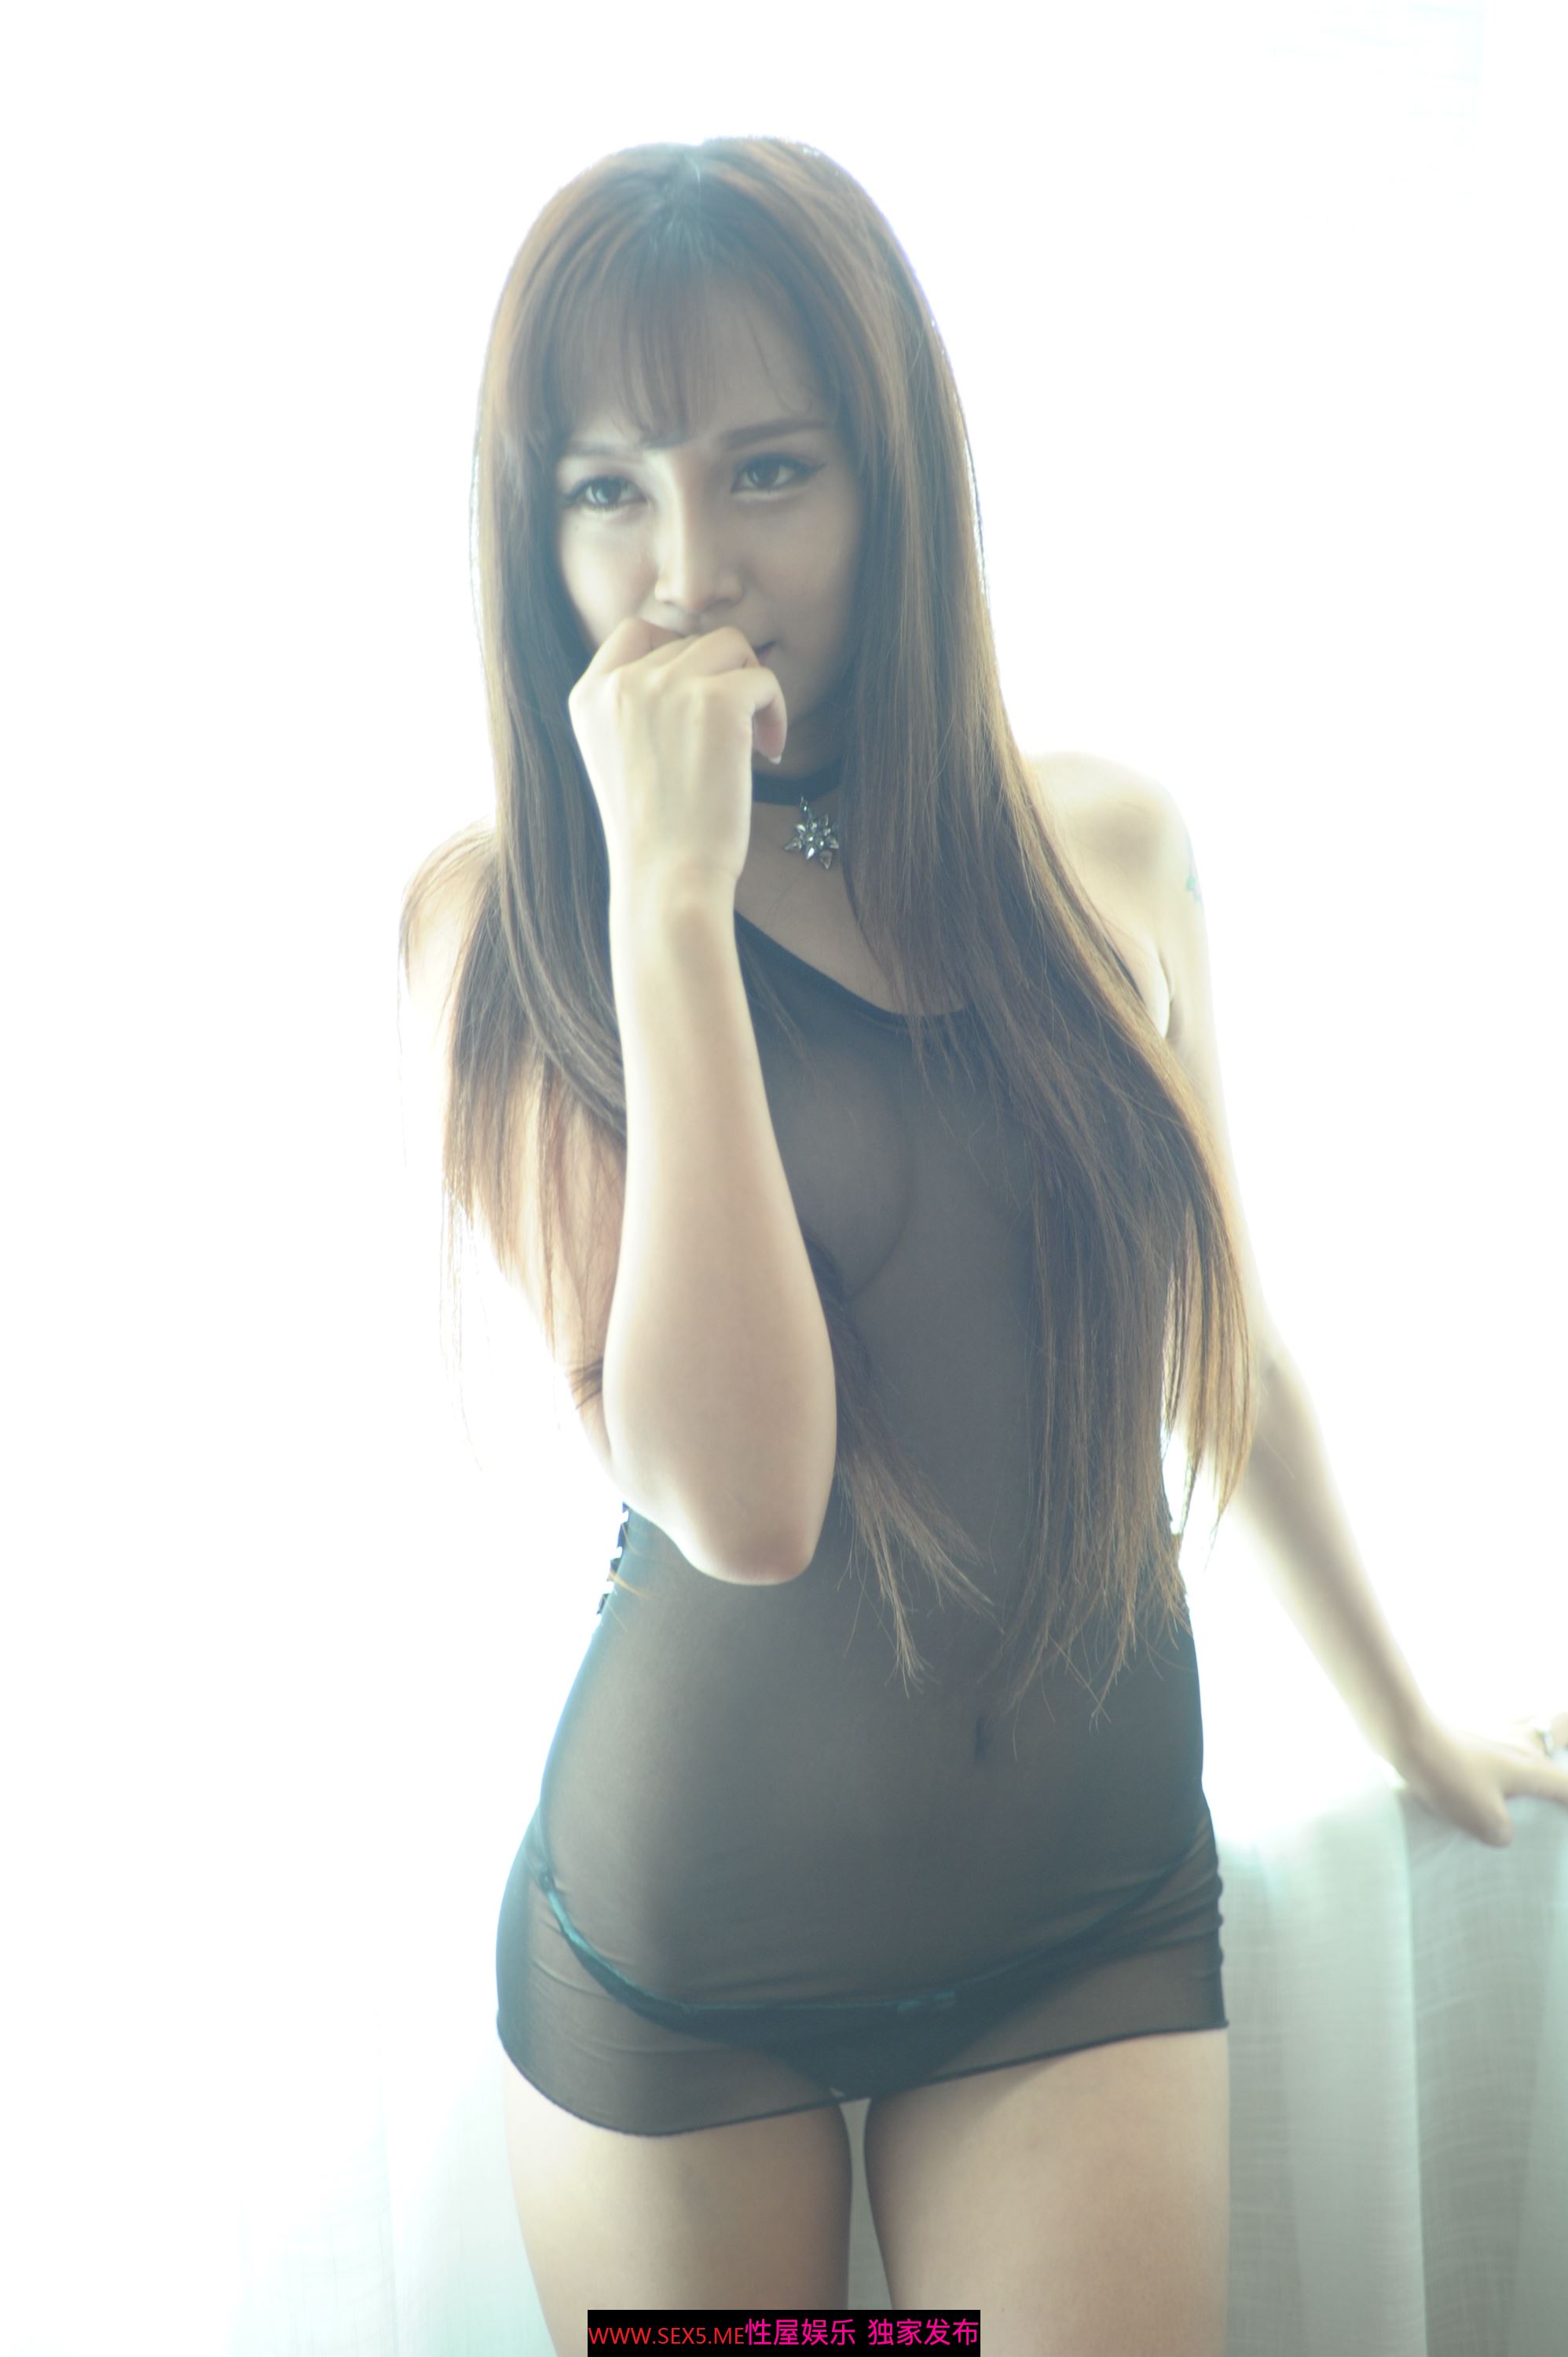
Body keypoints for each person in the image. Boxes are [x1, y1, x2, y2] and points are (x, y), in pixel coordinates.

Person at [398, 137, 1568, 2357]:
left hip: (1078, 1918)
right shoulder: (508, 926)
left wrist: (1409, 1716)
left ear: (893, 479)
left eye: (767, 470)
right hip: (686, 1980)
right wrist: (670, 904)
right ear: (528, 529)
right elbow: (744, 1502)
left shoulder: (1103, 848)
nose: (687, 568)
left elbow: (1215, 1340)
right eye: (605, 489)